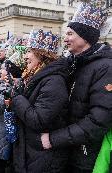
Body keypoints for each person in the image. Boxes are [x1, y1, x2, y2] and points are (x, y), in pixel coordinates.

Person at [39, 1, 112, 172]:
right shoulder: (72, 63)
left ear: (84, 36)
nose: (65, 38)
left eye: (70, 33)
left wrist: (54, 139)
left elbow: (98, 121)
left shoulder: (106, 68)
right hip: (67, 149)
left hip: (85, 156)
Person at [11, 29, 70, 172]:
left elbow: (38, 120)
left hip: (43, 157)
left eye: (29, 51)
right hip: (32, 151)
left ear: (42, 54)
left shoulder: (54, 81)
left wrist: (17, 98)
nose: (25, 56)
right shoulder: (36, 76)